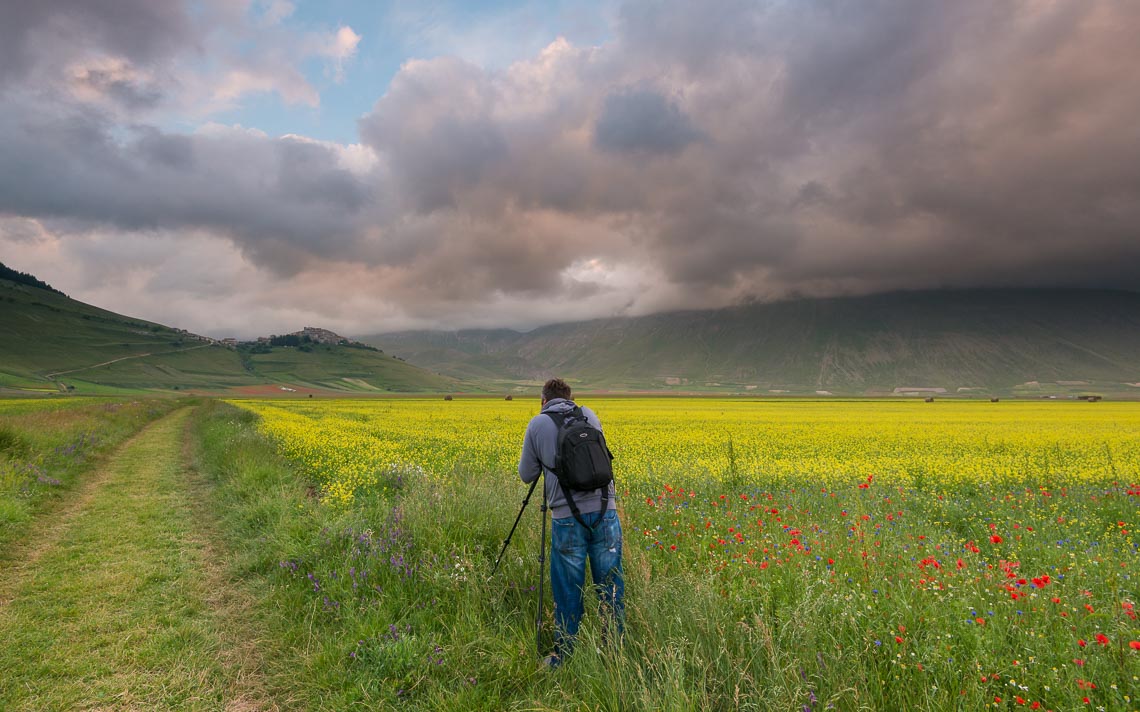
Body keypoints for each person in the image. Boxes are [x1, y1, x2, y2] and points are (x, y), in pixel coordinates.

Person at [518, 378, 624, 667]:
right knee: (611, 587)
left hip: (567, 518)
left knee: (568, 590)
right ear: (570, 398)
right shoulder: (588, 414)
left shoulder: (538, 424)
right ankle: (614, 653)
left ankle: (564, 657)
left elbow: (527, 474)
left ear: (543, 400)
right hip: (607, 512)